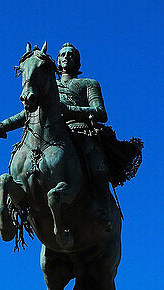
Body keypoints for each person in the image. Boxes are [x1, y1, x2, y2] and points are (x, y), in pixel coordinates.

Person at [56, 42, 112, 230]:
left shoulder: (89, 84)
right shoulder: (49, 85)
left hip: (80, 131)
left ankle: (102, 209)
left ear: (77, 61)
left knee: (98, 165)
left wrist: (70, 109)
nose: (66, 57)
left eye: (71, 55)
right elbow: (30, 113)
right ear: (57, 60)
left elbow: (100, 112)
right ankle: (10, 210)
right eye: (63, 54)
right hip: (53, 133)